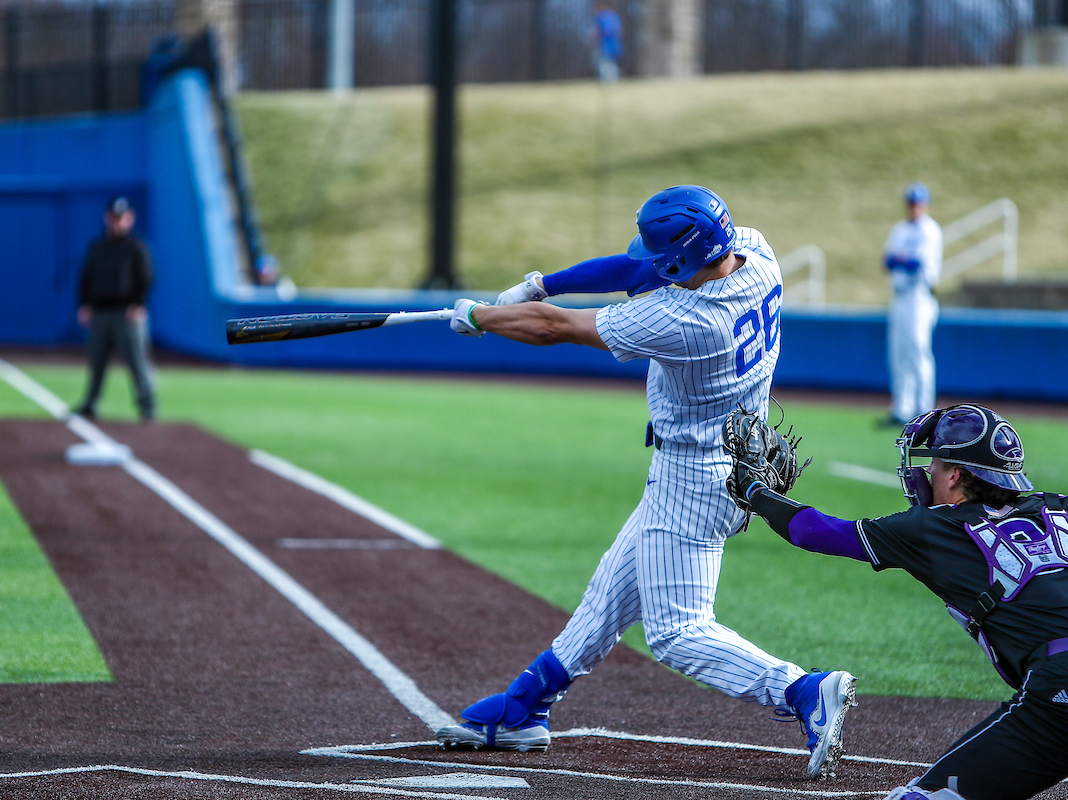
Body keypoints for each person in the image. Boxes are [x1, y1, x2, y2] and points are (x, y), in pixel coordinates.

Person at [436, 185, 857, 780]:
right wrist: (537, 283)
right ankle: (527, 705)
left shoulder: (688, 320)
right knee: (611, 590)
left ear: (687, 259)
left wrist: (481, 318)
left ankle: (803, 691)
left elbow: (555, 329)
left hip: (695, 479)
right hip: (737, 461)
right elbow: (633, 267)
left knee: (677, 631)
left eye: (667, 263)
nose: (654, 269)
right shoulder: (758, 256)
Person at [728, 403, 1068, 800]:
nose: (926, 474)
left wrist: (755, 490)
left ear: (956, 475)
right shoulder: (1058, 505)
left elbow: (813, 531)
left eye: (935, 465)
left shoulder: (934, 527)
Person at [74, 196, 157, 422]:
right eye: (114, 217)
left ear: (130, 219)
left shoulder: (136, 247)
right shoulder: (98, 247)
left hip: (126, 313)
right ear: (107, 218)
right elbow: (86, 277)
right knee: (96, 360)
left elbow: (146, 278)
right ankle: (91, 402)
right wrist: (83, 304)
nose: (117, 222)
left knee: (137, 361)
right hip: (100, 311)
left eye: (122, 218)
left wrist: (139, 304)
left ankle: (147, 403)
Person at [882, 182, 942, 427]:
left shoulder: (930, 230)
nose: (914, 207)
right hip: (900, 295)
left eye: (918, 203)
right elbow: (887, 260)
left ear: (925, 205)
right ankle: (901, 409)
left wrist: (901, 259)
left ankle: (925, 410)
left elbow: (918, 264)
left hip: (920, 295)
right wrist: (902, 260)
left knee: (918, 351)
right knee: (899, 353)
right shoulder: (900, 229)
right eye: (911, 203)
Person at [593, 4, 623, 83]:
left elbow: (597, 31)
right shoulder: (614, 16)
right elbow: (620, 30)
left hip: (605, 43)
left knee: (604, 63)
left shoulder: (600, 17)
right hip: (615, 43)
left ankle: (608, 80)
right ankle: (614, 78)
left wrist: (593, 40)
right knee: (611, 62)